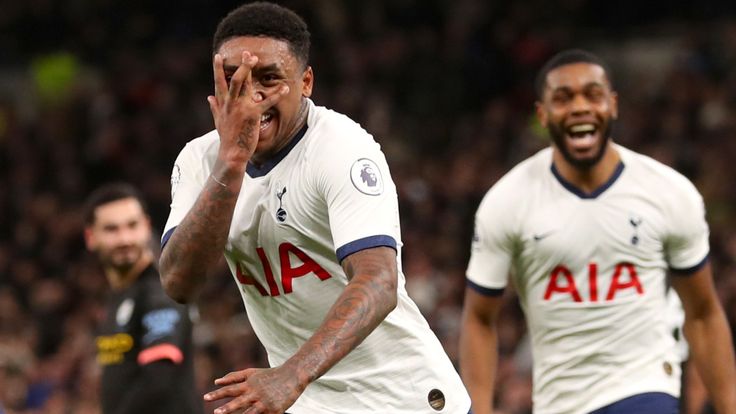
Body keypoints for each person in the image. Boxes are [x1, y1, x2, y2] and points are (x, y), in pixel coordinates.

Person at [159, 2, 470, 414]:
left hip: (402, 397)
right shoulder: (200, 160)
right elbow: (179, 283)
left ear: (306, 82)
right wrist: (231, 163)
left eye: (269, 78)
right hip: (308, 401)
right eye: (233, 80)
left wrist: (292, 373)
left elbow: (378, 282)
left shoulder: (341, 148)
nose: (251, 96)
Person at [459, 49, 736, 414]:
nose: (579, 107)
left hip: (646, 385)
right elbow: (479, 318)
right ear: (542, 115)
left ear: (613, 105)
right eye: (562, 98)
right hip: (558, 401)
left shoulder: (668, 192)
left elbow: (702, 313)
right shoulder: (507, 201)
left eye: (592, 94)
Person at [83, 183, 202, 414]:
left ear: (147, 226)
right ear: (91, 237)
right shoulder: (118, 296)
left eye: (132, 225)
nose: (125, 238)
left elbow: (158, 380)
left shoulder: (162, 291)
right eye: (111, 229)